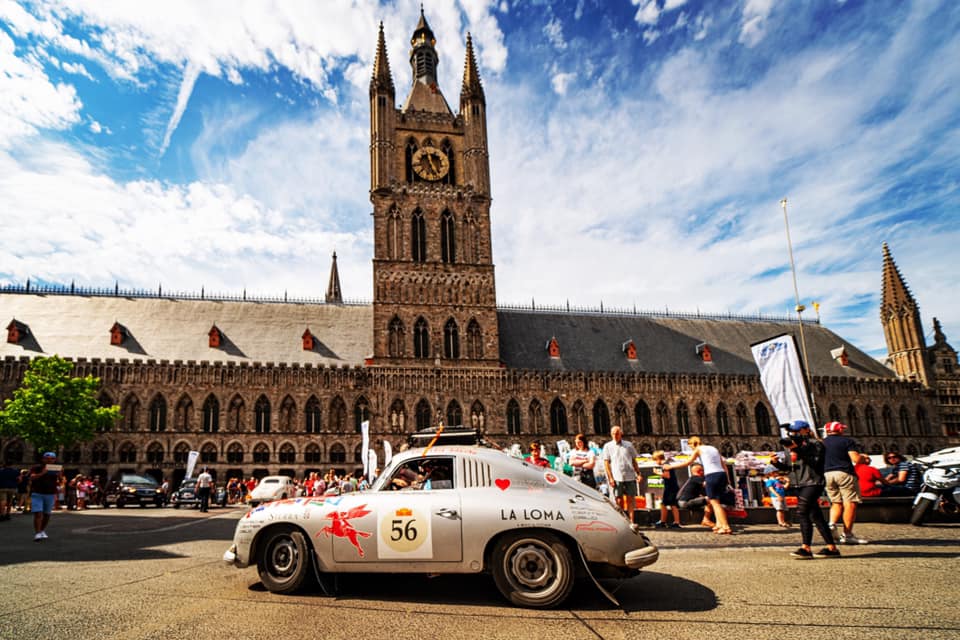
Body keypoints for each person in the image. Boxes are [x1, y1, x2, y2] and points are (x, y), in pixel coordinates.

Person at [770, 421, 840, 559]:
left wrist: (798, 450)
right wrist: (776, 463)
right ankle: (832, 548)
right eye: (792, 432)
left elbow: (816, 463)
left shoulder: (816, 444)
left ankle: (805, 548)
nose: (794, 434)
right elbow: (789, 468)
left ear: (806, 430)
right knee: (816, 516)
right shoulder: (791, 446)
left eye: (797, 431)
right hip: (799, 484)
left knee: (802, 512)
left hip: (813, 482)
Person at [675, 436, 732, 534]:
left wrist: (671, 466)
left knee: (715, 503)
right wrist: (728, 479)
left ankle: (726, 527)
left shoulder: (698, 449)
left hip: (711, 475)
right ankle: (719, 525)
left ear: (694, 444)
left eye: (691, 447)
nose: (692, 449)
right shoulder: (713, 449)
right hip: (721, 474)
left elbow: (688, 462)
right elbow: (724, 465)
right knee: (716, 501)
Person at [822, 421, 867, 543]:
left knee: (836, 502)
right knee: (850, 503)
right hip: (844, 473)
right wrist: (865, 458)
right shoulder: (846, 441)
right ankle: (847, 534)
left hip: (827, 474)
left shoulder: (822, 443)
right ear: (840, 430)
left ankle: (832, 524)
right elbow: (855, 459)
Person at [602, 426, 641, 524]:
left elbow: (634, 460)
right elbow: (606, 463)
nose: (615, 435)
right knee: (618, 500)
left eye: (617, 433)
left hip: (630, 475)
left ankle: (632, 521)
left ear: (621, 434)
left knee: (631, 499)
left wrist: (638, 473)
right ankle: (623, 521)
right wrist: (610, 478)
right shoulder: (608, 446)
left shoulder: (629, 445)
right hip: (616, 476)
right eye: (613, 433)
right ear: (611, 434)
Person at [29, 452, 62, 541]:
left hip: (50, 494)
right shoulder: (36, 467)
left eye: (52, 459)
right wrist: (42, 473)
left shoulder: (56, 468)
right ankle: (37, 533)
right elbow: (32, 478)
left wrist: (59, 475)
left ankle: (42, 530)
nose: (49, 460)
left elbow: (61, 480)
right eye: (47, 458)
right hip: (37, 493)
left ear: (55, 460)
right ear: (43, 459)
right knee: (38, 513)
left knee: (47, 514)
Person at [651, 450, 681, 528]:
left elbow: (667, 476)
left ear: (658, 458)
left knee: (668, 504)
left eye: (655, 460)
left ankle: (666, 522)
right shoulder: (667, 464)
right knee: (670, 504)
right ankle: (671, 522)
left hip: (670, 488)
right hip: (672, 487)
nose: (655, 462)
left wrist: (656, 472)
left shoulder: (665, 465)